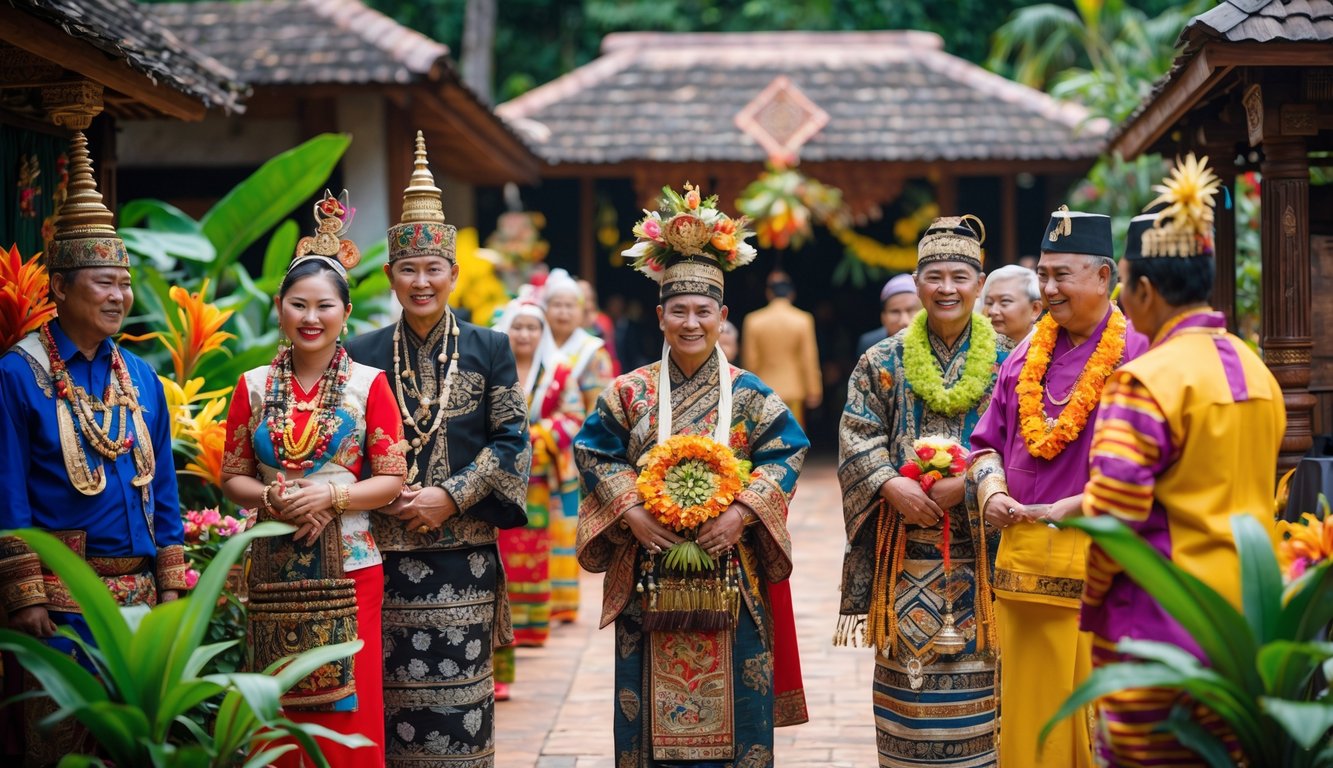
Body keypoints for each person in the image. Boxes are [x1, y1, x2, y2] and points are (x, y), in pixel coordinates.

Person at [575, 185, 809, 767]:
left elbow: (788, 451)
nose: (690, 322)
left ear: (723, 316)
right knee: (644, 711)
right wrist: (630, 510)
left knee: (740, 704)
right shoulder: (629, 393)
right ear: (659, 315)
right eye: (677, 310)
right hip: (648, 576)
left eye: (703, 311)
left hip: (735, 574)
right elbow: (594, 451)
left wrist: (742, 513)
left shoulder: (753, 395)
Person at [1080, 155, 1284, 765]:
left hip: (1163, 629)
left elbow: (1114, 520)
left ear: (1143, 290)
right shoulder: (1258, 371)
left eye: (1123, 284)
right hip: (1251, 627)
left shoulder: (1143, 381)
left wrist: (1091, 597)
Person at [0, 131, 187, 766]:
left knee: (126, 751)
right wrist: (23, 593)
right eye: (104, 283)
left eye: (124, 284)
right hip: (57, 604)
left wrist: (170, 590)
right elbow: (8, 488)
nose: (118, 297)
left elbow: (163, 487)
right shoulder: (18, 374)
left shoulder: (141, 380)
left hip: (137, 603)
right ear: (59, 287)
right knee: (53, 747)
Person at [344, 133, 530, 768]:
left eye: (433, 269)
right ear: (390, 274)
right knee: (389, 702)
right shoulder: (362, 353)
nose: (421, 282)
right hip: (382, 553)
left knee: (461, 704)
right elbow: (345, 445)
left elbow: (512, 441)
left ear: (452, 272)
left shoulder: (490, 348)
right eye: (407, 269)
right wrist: (394, 496)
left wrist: (450, 498)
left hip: (465, 557)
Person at [221, 190, 406, 767]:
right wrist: (275, 498)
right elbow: (233, 476)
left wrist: (332, 495)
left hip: (351, 561)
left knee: (351, 702)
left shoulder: (369, 384)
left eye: (324, 306)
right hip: (273, 559)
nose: (311, 317)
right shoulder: (253, 386)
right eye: (298, 304)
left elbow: (393, 479)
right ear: (279, 306)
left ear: (345, 314)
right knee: (276, 700)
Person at [966, 207, 1147, 767]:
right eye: (1042, 274)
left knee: (1093, 720)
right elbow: (985, 445)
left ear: (1104, 276)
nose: (1047, 288)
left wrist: (1080, 504)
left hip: (1102, 567)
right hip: (1023, 569)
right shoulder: (1024, 353)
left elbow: (1154, 469)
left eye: (1060, 275)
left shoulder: (1138, 352)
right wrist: (991, 489)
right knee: (1029, 715)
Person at [836, 215, 1010, 768]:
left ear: (979, 284)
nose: (947, 288)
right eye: (934, 276)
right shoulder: (881, 361)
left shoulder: (1012, 361)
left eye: (960, 276)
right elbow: (856, 433)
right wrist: (888, 485)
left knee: (989, 687)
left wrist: (975, 482)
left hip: (987, 557)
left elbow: (1028, 447)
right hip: (903, 553)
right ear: (916, 283)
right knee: (907, 695)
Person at [491, 288, 585, 702]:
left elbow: (574, 416)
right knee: (502, 556)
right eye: (518, 327)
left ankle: (532, 625)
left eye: (532, 327)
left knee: (535, 549)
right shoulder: (492, 369)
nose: (525, 334)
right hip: (496, 479)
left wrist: (538, 436)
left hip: (541, 479)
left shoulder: (559, 372)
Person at [541, 268, 614, 624]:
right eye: (556, 305)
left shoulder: (591, 351)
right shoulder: (534, 344)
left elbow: (600, 407)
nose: (563, 312)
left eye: (571, 305)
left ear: (582, 311)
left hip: (571, 450)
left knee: (566, 524)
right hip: (538, 451)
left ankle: (562, 601)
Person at [741, 271, 822, 426]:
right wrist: (814, 389)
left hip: (764, 388)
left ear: (769, 293)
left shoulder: (753, 320)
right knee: (794, 436)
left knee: (765, 435)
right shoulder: (803, 319)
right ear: (791, 294)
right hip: (794, 388)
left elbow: (751, 360)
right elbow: (808, 358)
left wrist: (748, 391)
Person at [855, 273, 921, 357]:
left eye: (910, 310)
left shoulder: (938, 342)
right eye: (895, 312)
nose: (904, 321)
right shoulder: (869, 346)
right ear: (883, 317)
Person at [980, 264, 1042, 343]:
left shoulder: (1052, 348)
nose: (992, 311)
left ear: (1034, 309)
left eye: (1005, 301)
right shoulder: (975, 347)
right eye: (989, 302)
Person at [579, 277, 621, 376]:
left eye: (587, 296)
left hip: (601, 369)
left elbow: (611, 351)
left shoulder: (603, 320)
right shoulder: (571, 320)